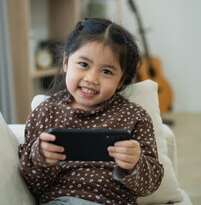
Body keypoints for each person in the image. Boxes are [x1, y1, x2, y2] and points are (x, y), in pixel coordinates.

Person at [18, 18, 164, 205]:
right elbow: (32, 185)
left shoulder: (135, 116)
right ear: (66, 62)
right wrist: (39, 157)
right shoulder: (46, 112)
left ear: (121, 81)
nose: (92, 79)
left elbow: (150, 185)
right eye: (84, 65)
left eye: (106, 72)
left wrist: (136, 163)